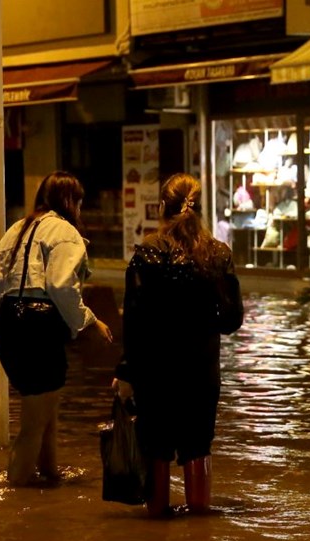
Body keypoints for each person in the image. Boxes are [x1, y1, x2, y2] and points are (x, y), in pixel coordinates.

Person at [113, 173, 244, 517]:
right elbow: (232, 320)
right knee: (198, 445)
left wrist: (125, 372)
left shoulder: (146, 255)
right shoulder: (217, 254)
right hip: (200, 371)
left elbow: (134, 323)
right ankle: (199, 536)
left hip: (154, 372)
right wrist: (201, 322)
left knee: (155, 448)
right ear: (199, 209)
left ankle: (157, 540)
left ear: (162, 208)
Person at [0, 171, 112, 486]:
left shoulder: (15, 230)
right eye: (78, 201)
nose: (80, 208)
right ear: (69, 200)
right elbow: (61, 285)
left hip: (10, 323)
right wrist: (89, 321)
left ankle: (51, 474)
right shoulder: (64, 231)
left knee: (47, 407)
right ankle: (16, 499)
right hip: (39, 324)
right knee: (33, 423)